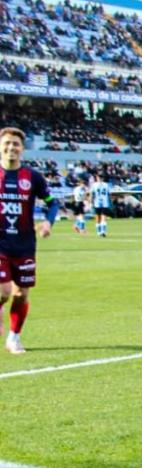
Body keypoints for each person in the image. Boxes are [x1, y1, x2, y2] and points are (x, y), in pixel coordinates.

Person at [0, 127, 57, 356]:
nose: (11, 147)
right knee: (3, 291)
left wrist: (48, 223)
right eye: (7, 143)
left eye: (16, 144)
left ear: (22, 149)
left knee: (21, 293)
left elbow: (52, 202)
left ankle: (14, 337)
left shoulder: (32, 177)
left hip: (24, 245)